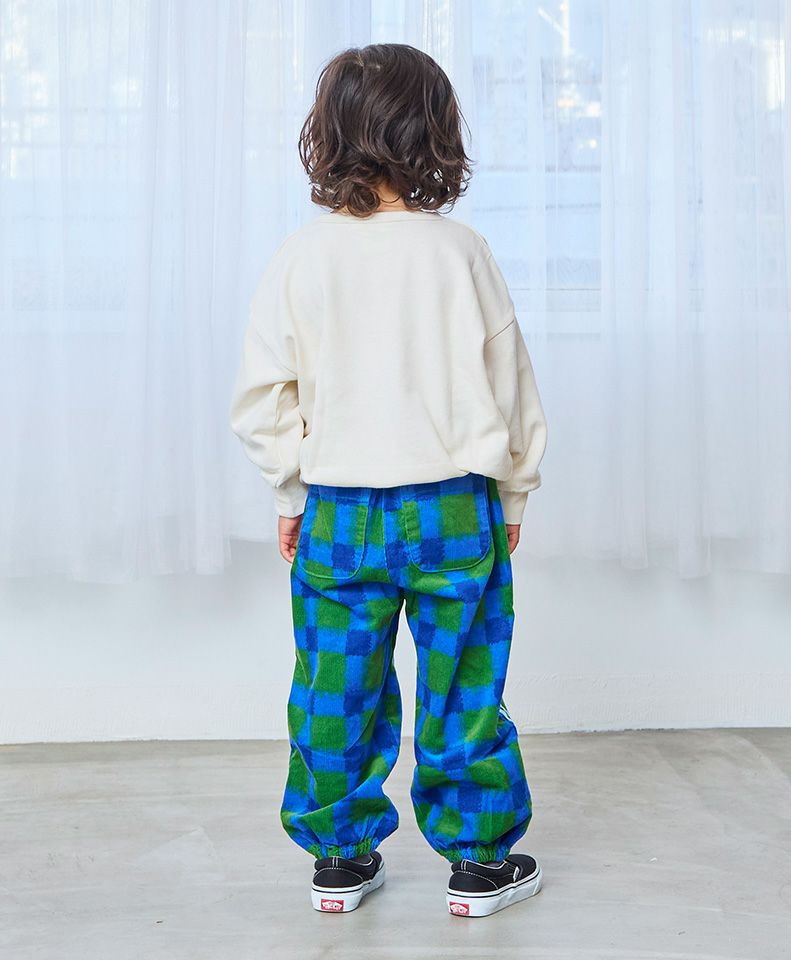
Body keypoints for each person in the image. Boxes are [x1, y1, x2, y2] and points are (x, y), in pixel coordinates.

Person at [229, 42, 547, 918]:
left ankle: (339, 859)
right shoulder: (460, 252)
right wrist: (512, 493)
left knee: (336, 688)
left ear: (327, 136)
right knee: (463, 686)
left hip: (339, 509)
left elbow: (263, 397)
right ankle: (478, 864)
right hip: (453, 506)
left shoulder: (302, 257)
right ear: (435, 133)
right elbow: (510, 388)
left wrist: (291, 491)